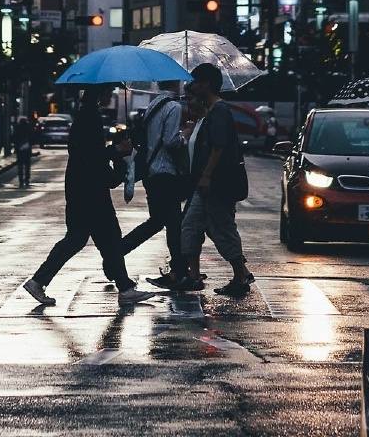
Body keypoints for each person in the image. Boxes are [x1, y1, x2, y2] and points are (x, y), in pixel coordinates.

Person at [23, 83, 152, 306]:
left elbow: (88, 154)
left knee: (95, 238)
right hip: (89, 191)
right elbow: (89, 155)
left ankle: (124, 287)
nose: (111, 95)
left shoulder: (86, 114)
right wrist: (116, 151)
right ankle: (38, 281)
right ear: (100, 93)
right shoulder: (88, 117)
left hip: (83, 188)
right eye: (108, 91)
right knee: (95, 238)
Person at [175, 62, 251, 298]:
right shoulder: (211, 112)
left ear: (206, 84)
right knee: (190, 225)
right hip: (203, 186)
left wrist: (207, 175)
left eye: (194, 82)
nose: (191, 86)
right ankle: (192, 275)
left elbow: (219, 147)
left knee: (222, 229)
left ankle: (241, 276)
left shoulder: (220, 111)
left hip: (216, 184)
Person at [117, 80, 189, 285]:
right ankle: (178, 271)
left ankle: (118, 253)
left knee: (158, 222)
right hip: (165, 172)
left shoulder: (154, 104)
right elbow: (170, 141)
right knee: (173, 223)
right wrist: (186, 134)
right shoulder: (174, 106)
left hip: (151, 172)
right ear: (176, 83)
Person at [14, 115, 34, 188]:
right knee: (27, 166)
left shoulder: (17, 129)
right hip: (27, 149)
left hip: (20, 150)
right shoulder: (28, 128)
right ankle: (27, 180)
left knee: (20, 166)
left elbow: (14, 138)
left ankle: (21, 181)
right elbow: (32, 137)